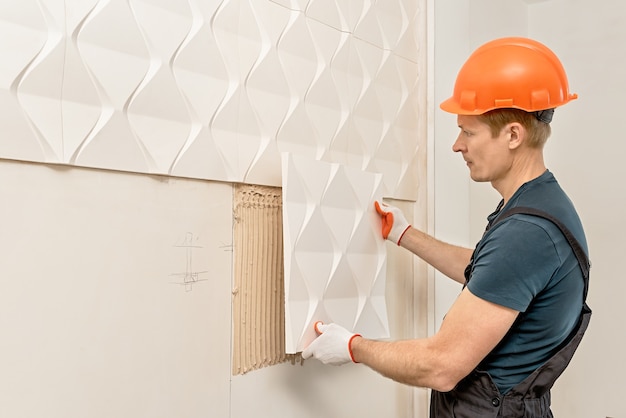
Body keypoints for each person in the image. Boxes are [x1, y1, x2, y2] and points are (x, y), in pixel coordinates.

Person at [301, 37, 591, 417]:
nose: (457, 145)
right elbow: (492, 271)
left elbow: (441, 365)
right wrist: (404, 235)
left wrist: (353, 346)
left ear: (513, 135)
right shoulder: (540, 203)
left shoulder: (526, 234)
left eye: (468, 132)